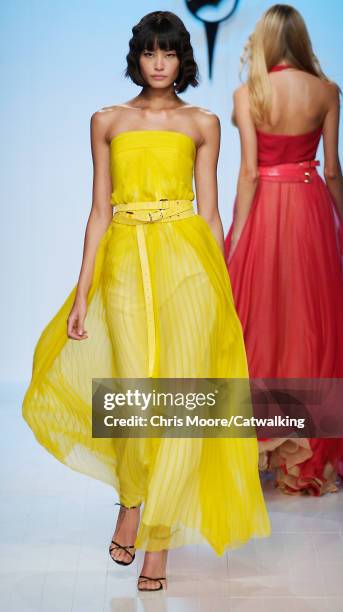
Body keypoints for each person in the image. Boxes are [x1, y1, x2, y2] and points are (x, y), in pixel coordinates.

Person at [22, 10, 271, 592]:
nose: (159, 64)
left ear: (183, 60)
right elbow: (100, 211)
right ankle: (131, 500)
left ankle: (157, 542)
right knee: (135, 399)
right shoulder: (107, 120)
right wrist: (82, 293)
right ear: (136, 58)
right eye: (149, 53)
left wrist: (224, 293)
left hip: (188, 266)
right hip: (127, 266)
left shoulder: (203, 123)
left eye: (170, 54)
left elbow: (210, 214)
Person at [224, 3, 343, 496]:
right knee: (312, 326)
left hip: (267, 209)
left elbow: (250, 171)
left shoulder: (248, 93)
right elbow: (332, 169)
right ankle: (305, 456)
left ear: (266, 42)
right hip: (310, 207)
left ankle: (256, 449)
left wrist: (237, 234)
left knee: (259, 323)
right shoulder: (327, 91)